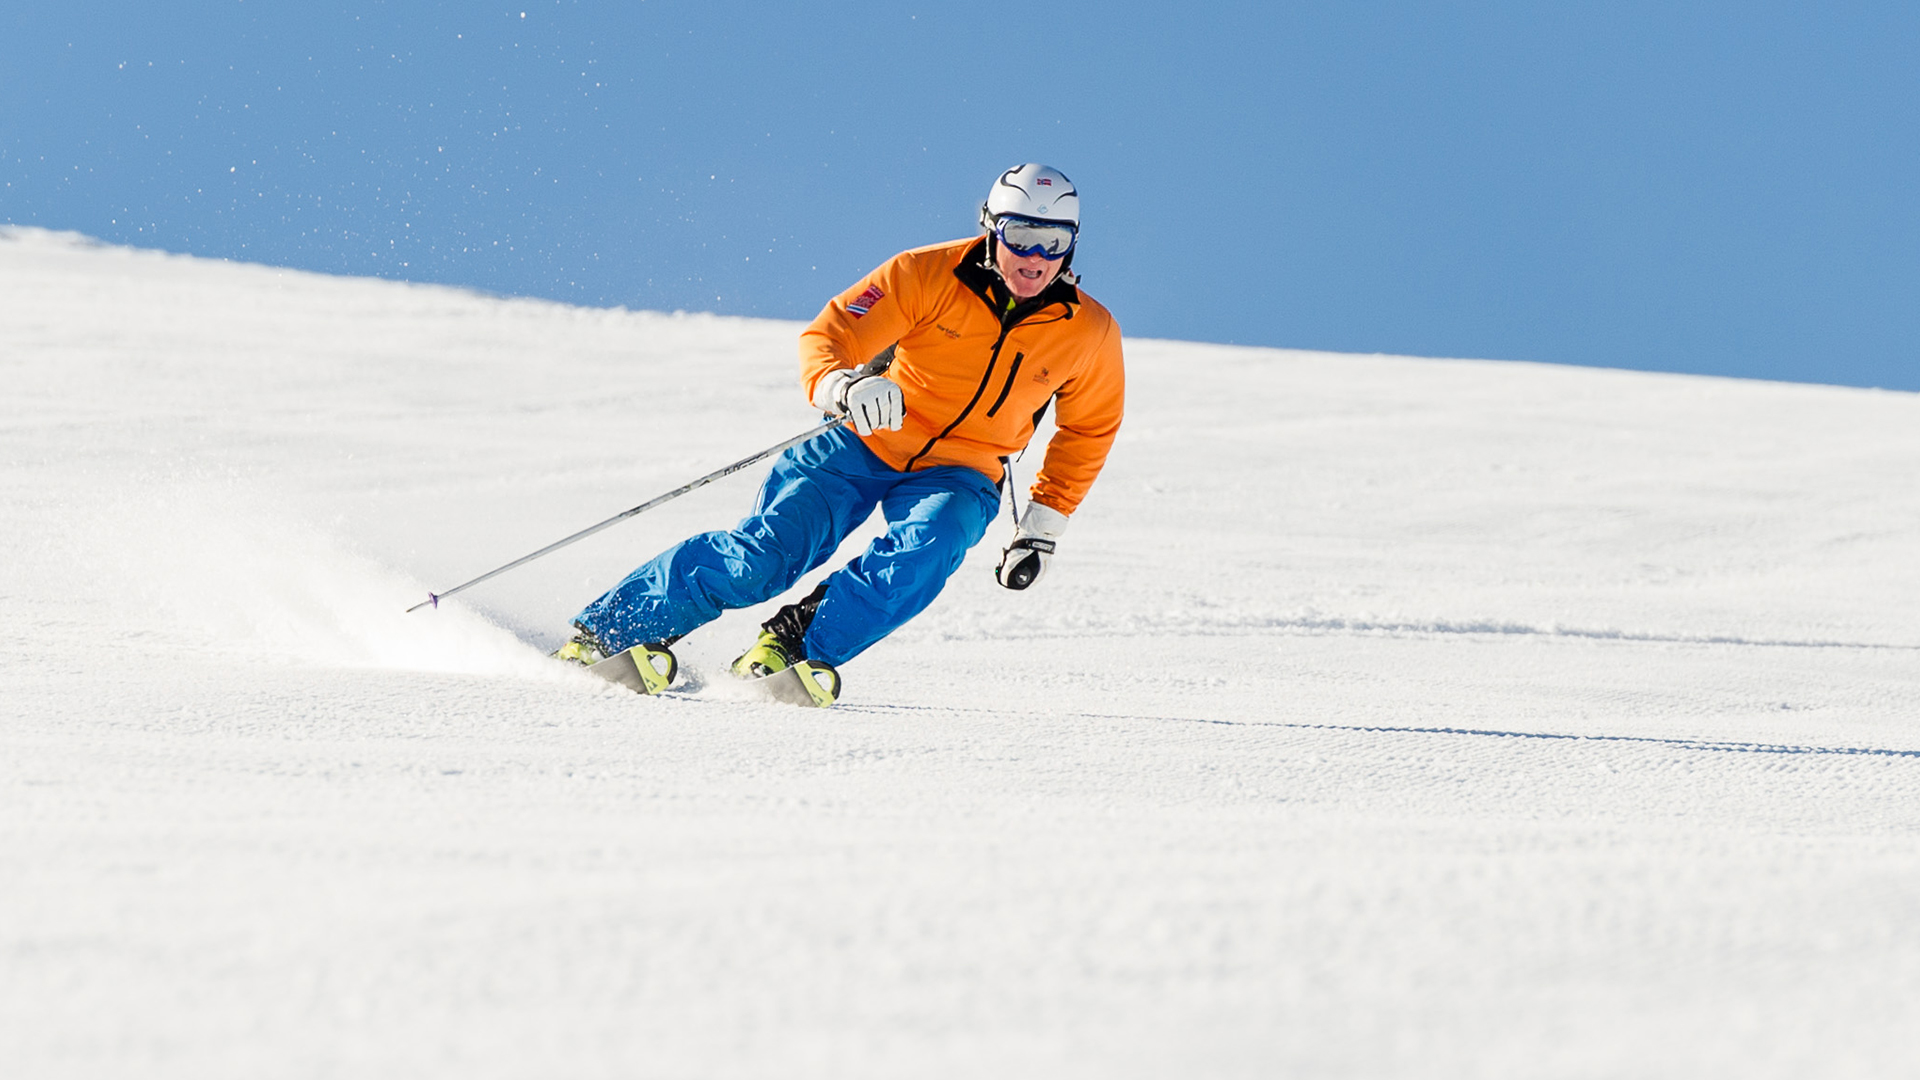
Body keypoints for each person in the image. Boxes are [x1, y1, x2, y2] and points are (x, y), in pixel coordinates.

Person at [555, 163, 1126, 706]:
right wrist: (844, 387)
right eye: (1021, 235)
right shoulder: (924, 273)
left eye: (1054, 241)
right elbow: (830, 335)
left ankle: (791, 648)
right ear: (990, 229)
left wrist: (1043, 525)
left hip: (962, 471)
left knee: (927, 549)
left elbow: (1088, 428)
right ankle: (609, 634)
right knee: (764, 558)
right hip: (864, 439)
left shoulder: (1089, 332)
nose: (1036, 257)